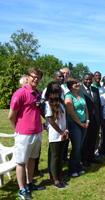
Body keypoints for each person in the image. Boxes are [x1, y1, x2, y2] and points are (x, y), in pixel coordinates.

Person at [8, 67, 45, 200]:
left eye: (38, 77)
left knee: (32, 159)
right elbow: (11, 116)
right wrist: (17, 130)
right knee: (21, 162)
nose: (36, 79)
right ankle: (21, 189)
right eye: (33, 76)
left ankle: (29, 183)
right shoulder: (20, 93)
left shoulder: (37, 93)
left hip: (37, 131)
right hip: (24, 134)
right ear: (27, 77)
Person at [45, 81, 69, 189]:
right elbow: (50, 120)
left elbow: (65, 117)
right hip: (55, 134)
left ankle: (60, 177)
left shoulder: (61, 102)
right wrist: (60, 132)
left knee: (60, 157)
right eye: (59, 89)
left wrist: (66, 129)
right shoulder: (48, 103)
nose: (61, 91)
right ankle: (55, 180)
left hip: (64, 133)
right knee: (55, 157)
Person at [65, 76, 89, 177]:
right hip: (74, 124)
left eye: (78, 82)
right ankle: (72, 169)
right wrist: (80, 123)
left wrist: (87, 120)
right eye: (75, 83)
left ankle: (78, 166)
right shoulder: (68, 96)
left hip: (84, 122)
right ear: (70, 85)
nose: (78, 84)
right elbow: (70, 112)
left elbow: (86, 109)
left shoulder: (81, 95)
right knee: (76, 147)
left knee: (80, 146)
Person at [79, 73, 102, 167]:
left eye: (90, 79)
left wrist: (100, 119)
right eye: (86, 79)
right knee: (85, 140)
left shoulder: (95, 90)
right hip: (85, 119)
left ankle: (91, 157)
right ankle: (84, 159)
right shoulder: (79, 90)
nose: (88, 81)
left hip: (95, 120)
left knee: (93, 139)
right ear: (82, 79)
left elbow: (98, 105)